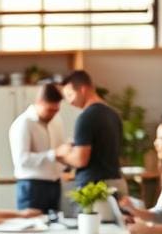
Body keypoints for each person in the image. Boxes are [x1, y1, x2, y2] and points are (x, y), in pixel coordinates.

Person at [55, 70, 128, 202]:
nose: (69, 101)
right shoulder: (113, 114)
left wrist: (61, 154)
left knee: (91, 222)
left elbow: (80, 160)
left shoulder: (86, 117)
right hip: (115, 181)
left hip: (95, 189)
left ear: (82, 90)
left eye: (70, 95)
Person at [8, 82, 66, 213]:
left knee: (55, 228)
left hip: (55, 183)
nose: (52, 114)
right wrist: (54, 154)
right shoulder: (23, 123)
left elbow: (60, 149)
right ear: (39, 102)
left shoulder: (56, 120)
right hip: (31, 186)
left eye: (56, 110)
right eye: (49, 110)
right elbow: (22, 160)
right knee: (31, 229)